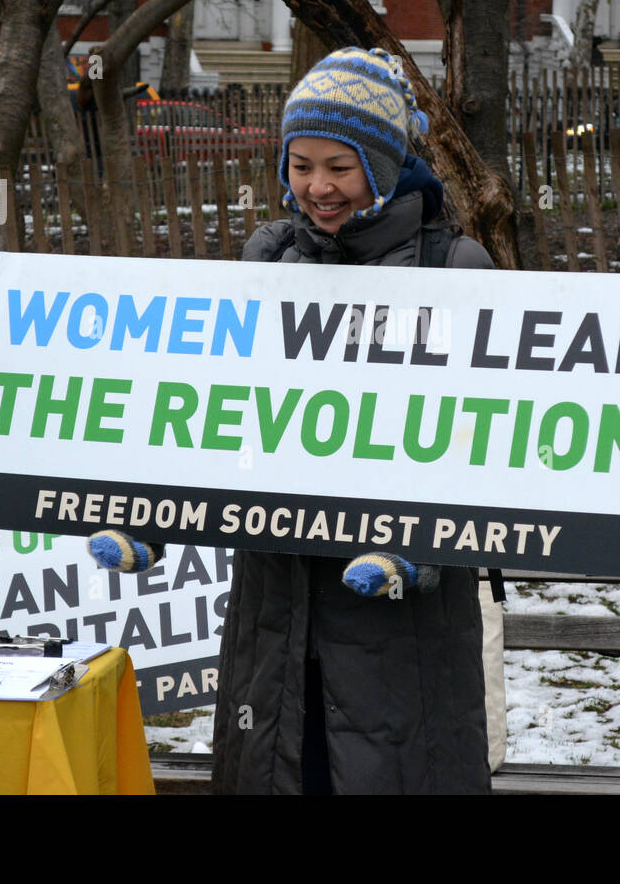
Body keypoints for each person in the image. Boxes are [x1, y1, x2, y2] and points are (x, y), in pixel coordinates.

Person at [90, 47, 495, 794]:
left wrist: (417, 550)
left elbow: (475, 440)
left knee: (394, 771)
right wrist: (147, 518)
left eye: (339, 167)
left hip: (399, 620)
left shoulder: (452, 268)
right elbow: (215, 409)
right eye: (300, 164)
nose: (317, 187)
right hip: (276, 598)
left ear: (381, 161)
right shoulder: (269, 255)